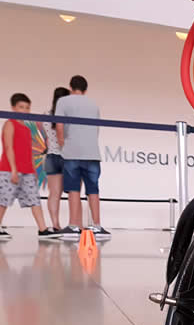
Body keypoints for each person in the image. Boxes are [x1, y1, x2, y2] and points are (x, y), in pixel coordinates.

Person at [55, 75, 111, 240]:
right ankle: (97, 226)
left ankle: (73, 226)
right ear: (85, 89)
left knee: (73, 189)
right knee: (93, 189)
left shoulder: (64, 101)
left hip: (72, 151)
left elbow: (59, 126)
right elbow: (96, 129)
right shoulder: (93, 104)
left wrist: (62, 145)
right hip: (92, 152)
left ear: (71, 87)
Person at [0, 94, 55, 240]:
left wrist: (34, 170)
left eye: (27, 108)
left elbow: (28, 149)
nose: (25, 110)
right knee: (3, 200)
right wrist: (13, 169)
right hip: (9, 170)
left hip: (27, 171)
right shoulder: (9, 124)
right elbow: (8, 147)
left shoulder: (26, 128)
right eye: (21, 107)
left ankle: (42, 229)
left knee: (34, 200)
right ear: (13, 108)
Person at [43, 87, 70, 231]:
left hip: (51, 156)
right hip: (66, 156)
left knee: (54, 194)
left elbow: (47, 137)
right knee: (73, 192)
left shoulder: (46, 115)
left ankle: (55, 224)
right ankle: (74, 225)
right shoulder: (67, 117)